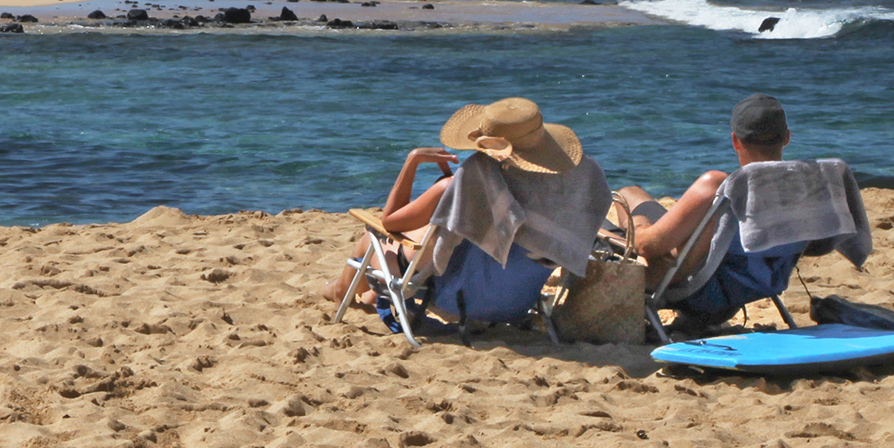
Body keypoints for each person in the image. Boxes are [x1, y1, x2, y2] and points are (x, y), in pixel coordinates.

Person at [322, 97, 585, 307]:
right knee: (383, 264)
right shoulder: (543, 196)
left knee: (373, 238)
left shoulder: (452, 188)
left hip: (445, 282)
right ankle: (369, 296)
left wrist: (412, 161)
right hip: (506, 293)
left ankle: (337, 291)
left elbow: (389, 221)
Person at [613, 92, 791, 268]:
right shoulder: (802, 187)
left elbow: (646, 247)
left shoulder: (717, 185)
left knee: (620, 207)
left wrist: (638, 225)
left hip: (691, 283)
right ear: (787, 138)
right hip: (759, 279)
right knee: (629, 193)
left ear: (736, 141)